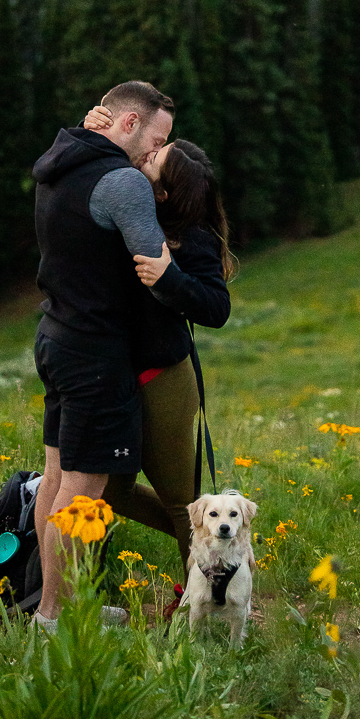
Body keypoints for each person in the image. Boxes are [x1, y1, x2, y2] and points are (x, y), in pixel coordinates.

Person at [30, 81, 174, 631]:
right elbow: (154, 266)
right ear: (129, 124)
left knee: (55, 476)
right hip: (97, 350)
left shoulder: (59, 162)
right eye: (155, 140)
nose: (155, 154)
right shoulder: (122, 181)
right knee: (83, 491)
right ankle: (55, 617)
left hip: (57, 334)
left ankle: (56, 602)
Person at [84, 104, 233, 579]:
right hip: (120, 380)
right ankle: (74, 596)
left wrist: (170, 278)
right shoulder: (133, 207)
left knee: (179, 501)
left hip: (165, 381)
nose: (145, 155)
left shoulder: (194, 239)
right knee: (113, 494)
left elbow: (216, 308)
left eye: (153, 159)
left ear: (164, 191)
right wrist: (95, 129)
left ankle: (202, 605)